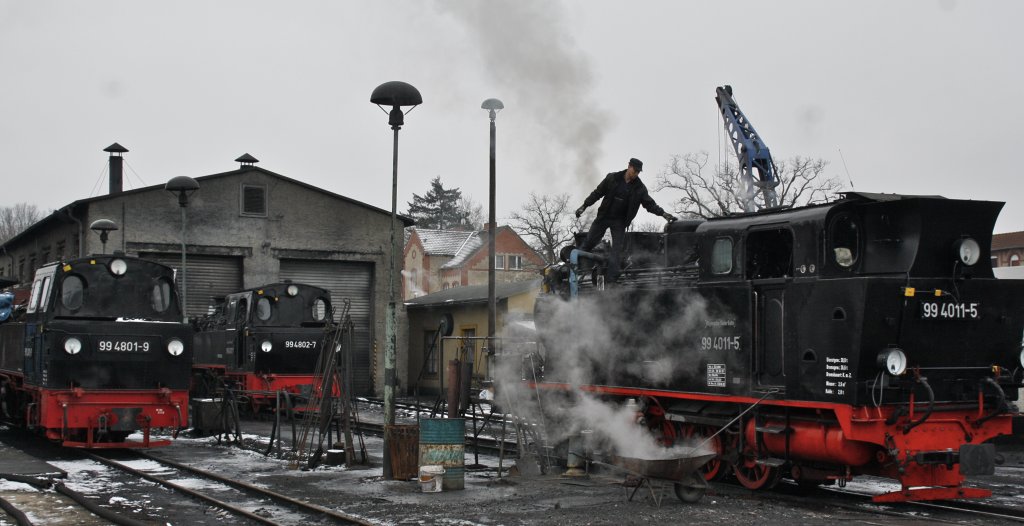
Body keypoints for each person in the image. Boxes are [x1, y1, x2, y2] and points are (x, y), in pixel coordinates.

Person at [575, 157, 676, 282]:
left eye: (638, 172)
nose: (636, 174)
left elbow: (650, 204)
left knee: (617, 249)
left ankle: (611, 280)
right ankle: (574, 270)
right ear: (629, 166)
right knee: (589, 242)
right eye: (635, 170)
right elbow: (597, 193)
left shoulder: (640, 189)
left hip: (620, 221)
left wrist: (664, 214)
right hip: (604, 217)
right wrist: (584, 206)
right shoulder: (612, 178)